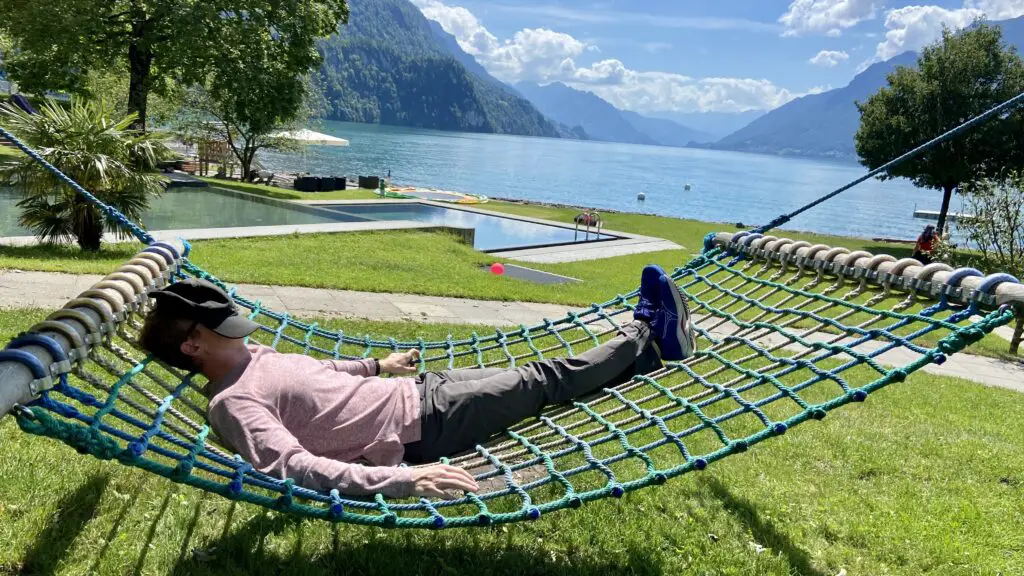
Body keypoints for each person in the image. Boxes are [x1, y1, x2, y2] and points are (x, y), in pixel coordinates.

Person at [139, 266, 697, 500]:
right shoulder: (235, 403)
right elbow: (292, 467)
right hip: (424, 426)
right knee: (542, 378)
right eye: (221, 329)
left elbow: (320, 373)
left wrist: (377, 367)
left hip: (420, 388)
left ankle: (644, 357)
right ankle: (649, 332)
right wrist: (401, 482)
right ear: (193, 346)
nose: (237, 331)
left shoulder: (252, 355)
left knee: (536, 373)